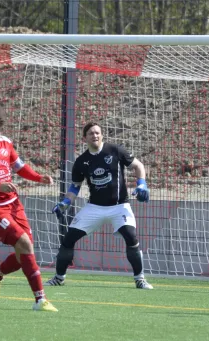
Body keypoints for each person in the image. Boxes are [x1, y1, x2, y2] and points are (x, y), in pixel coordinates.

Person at [0, 100, 58, 312]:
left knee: (24, 250)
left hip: (14, 204)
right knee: (25, 244)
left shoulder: (5, 143)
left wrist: (38, 177)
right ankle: (40, 300)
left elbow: (19, 167)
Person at [45, 122, 154, 290]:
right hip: (94, 207)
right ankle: (59, 277)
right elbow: (75, 186)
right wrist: (65, 202)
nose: (94, 135)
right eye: (91, 133)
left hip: (120, 206)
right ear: (85, 138)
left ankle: (140, 279)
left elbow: (138, 166)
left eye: (97, 133)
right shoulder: (81, 161)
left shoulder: (115, 150)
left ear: (102, 135)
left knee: (131, 237)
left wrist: (141, 184)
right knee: (68, 239)